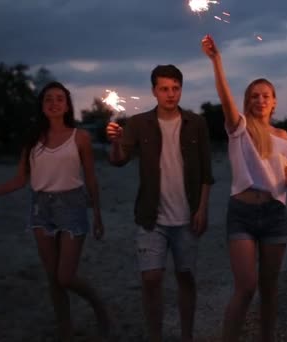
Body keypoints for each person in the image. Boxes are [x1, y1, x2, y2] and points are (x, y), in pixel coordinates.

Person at [0, 81, 110, 341]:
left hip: (72, 206)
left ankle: (99, 308)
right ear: (42, 107)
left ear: (67, 105)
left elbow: (90, 178)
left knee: (65, 276)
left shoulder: (80, 137)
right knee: (53, 279)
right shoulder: (33, 140)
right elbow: (20, 180)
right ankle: (65, 331)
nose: (54, 103)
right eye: (48, 99)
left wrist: (97, 214)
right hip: (40, 208)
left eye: (59, 99)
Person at [201, 35, 287, 341]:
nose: (260, 100)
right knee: (246, 287)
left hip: (275, 214)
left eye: (266, 96)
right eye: (255, 96)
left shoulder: (283, 135)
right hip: (242, 213)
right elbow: (224, 98)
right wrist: (216, 61)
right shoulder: (239, 128)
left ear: (274, 102)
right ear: (248, 101)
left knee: (270, 287)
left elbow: (283, 177)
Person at [106, 64, 214, 342]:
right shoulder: (139, 123)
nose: (170, 94)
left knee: (186, 277)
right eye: (164, 89)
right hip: (151, 215)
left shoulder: (196, 123)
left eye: (175, 88)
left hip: (187, 216)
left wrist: (202, 208)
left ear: (181, 89)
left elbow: (206, 172)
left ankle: (186, 336)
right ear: (154, 90)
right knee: (151, 278)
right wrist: (116, 142)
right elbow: (118, 161)